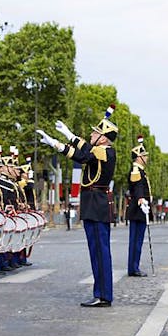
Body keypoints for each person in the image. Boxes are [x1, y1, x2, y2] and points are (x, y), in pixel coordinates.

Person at [38, 105, 118, 307]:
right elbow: (85, 152)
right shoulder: (98, 151)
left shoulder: (106, 152)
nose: (91, 134)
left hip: (98, 205)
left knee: (100, 251)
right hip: (93, 204)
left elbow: (83, 155)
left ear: (103, 138)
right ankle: (100, 293)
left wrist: (61, 140)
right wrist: (64, 139)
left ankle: (103, 295)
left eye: (95, 132)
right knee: (95, 251)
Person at [126, 136, 151, 277]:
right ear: (139, 157)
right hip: (138, 210)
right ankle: (134, 267)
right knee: (136, 240)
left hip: (139, 210)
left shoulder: (140, 170)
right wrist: (141, 199)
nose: (146, 158)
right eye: (144, 156)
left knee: (136, 240)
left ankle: (133, 266)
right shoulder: (136, 170)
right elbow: (138, 187)